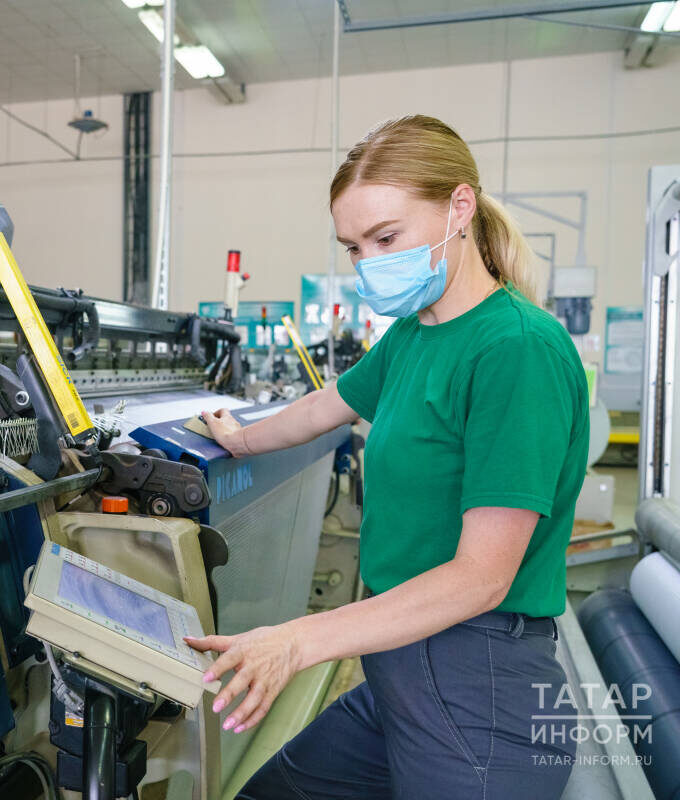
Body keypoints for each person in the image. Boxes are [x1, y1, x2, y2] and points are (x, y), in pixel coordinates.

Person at [189, 115, 588, 799]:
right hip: (399, 660)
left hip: (479, 683)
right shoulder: (412, 336)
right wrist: (234, 438)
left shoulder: (517, 350)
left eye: (386, 237)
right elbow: (324, 408)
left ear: (459, 208)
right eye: (353, 247)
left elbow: (479, 580)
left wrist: (299, 640)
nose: (369, 263)